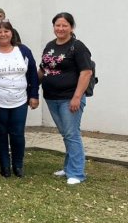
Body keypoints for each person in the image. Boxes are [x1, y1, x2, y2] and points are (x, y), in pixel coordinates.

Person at [0, 21, 39, 178]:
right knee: (0, 133)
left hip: (20, 101)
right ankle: (4, 166)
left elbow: (33, 72)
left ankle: (18, 165)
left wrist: (34, 95)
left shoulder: (23, 50)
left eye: (6, 31)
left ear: (12, 33)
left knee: (18, 133)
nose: (3, 34)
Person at [39, 12, 93, 185]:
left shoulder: (78, 47)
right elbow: (43, 69)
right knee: (66, 134)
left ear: (71, 27)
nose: (60, 28)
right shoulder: (49, 45)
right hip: (51, 97)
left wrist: (77, 97)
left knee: (71, 134)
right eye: (57, 25)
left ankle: (77, 173)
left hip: (70, 98)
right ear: (53, 27)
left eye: (64, 25)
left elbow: (86, 72)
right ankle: (69, 167)